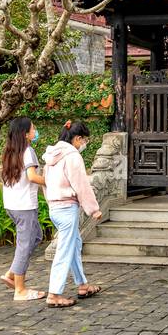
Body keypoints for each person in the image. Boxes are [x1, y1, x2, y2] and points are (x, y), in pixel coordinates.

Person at [43, 120, 104, 309]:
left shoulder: (51, 156)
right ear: (77, 138)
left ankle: (83, 285)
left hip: (54, 207)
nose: (84, 144)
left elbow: (45, 183)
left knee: (73, 246)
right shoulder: (72, 156)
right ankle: (54, 294)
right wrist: (93, 209)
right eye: (84, 140)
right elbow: (81, 185)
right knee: (65, 251)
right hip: (67, 208)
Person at [0, 117, 46, 302]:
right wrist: (54, 182)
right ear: (25, 134)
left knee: (36, 237)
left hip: (12, 204)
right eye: (33, 129)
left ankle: (12, 273)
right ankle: (20, 290)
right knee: (25, 244)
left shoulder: (10, 151)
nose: (35, 131)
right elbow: (32, 176)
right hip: (24, 205)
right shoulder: (28, 151)